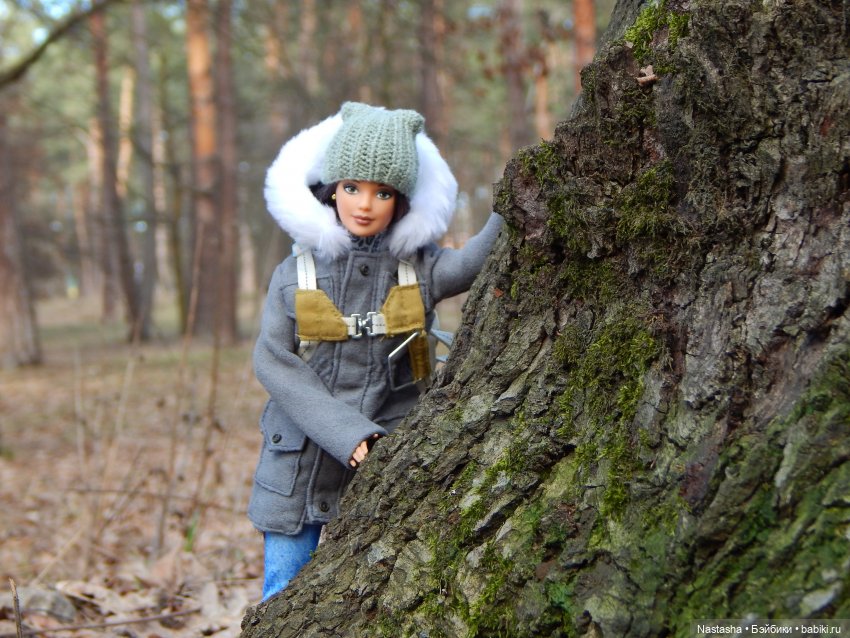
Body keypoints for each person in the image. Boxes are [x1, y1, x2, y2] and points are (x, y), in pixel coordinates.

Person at [249, 102, 503, 600]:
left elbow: (473, 262)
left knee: (367, 595)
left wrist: (512, 204)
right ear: (331, 189)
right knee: (282, 594)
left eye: (381, 192)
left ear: (402, 201)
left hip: (383, 465)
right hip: (297, 466)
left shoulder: (418, 267)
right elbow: (272, 361)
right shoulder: (295, 274)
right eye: (351, 188)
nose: (364, 204)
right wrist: (346, 432)